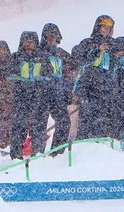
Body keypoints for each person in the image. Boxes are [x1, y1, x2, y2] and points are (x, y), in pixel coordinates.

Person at [9, 31, 51, 159]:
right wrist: (22, 84)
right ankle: (16, 157)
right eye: (26, 41)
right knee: (19, 127)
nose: (28, 44)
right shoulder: (15, 57)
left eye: (31, 41)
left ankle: (38, 155)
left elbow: (49, 75)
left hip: (39, 98)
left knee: (39, 127)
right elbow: (9, 75)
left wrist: (39, 85)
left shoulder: (42, 57)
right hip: (21, 98)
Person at [39, 23, 73, 153]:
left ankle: (57, 152)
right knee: (40, 126)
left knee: (64, 122)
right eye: (49, 36)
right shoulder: (39, 52)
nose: (52, 39)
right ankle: (38, 153)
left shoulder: (60, 53)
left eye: (55, 36)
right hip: (41, 94)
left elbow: (73, 63)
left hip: (57, 94)